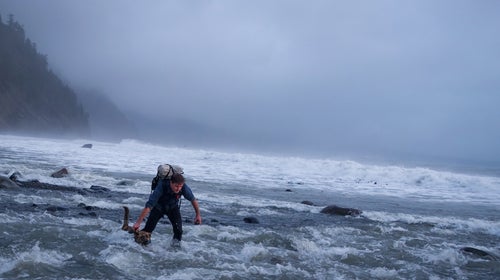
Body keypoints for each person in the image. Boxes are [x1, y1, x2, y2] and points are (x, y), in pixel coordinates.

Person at [133, 173, 201, 246]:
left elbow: (193, 200)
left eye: (180, 186)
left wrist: (198, 215)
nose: (178, 188)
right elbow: (149, 206)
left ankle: (175, 249)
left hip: (173, 208)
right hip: (158, 208)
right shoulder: (161, 186)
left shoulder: (184, 188)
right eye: (176, 186)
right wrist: (138, 222)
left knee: (179, 231)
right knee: (147, 230)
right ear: (171, 182)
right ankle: (139, 246)